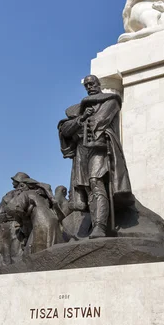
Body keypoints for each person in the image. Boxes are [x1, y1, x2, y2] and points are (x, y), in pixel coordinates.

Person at [58, 75, 134, 238]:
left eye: (92, 83)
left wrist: (86, 120)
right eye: (86, 85)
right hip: (82, 151)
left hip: (98, 148)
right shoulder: (79, 109)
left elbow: (100, 121)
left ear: (99, 84)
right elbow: (65, 130)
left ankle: (100, 226)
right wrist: (82, 118)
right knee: (87, 188)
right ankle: (95, 224)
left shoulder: (110, 100)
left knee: (96, 182)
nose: (89, 87)